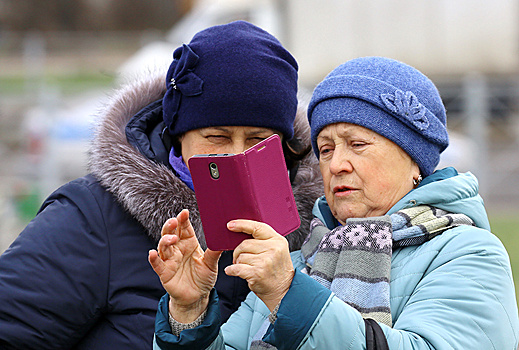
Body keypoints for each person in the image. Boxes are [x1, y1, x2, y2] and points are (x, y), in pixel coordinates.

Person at [151, 56, 519, 349]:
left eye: (357, 144)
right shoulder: (301, 259)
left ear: (414, 160)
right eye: (325, 149)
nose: (337, 165)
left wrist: (290, 295)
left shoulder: (469, 253)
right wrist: (189, 311)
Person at [0, 21, 323, 349]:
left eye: (258, 140)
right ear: (179, 133)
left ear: (285, 144)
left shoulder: (321, 226)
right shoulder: (93, 216)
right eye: (217, 137)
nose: (236, 154)